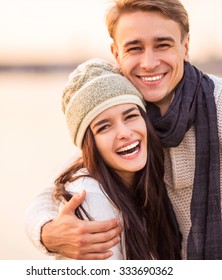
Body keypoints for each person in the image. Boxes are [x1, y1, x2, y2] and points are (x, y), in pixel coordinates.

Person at [26, 0, 222, 260]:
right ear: (116, 54)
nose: (149, 63)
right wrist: (47, 233)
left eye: (162, 45)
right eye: (134, 48)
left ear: (185, 46)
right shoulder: (125, 114)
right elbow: (57, 190)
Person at [39, 58, 181, 259]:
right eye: (104, 127)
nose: (124, 133)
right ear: (90, 144)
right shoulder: (91, 199)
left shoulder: (144, 182)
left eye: (130, 116)